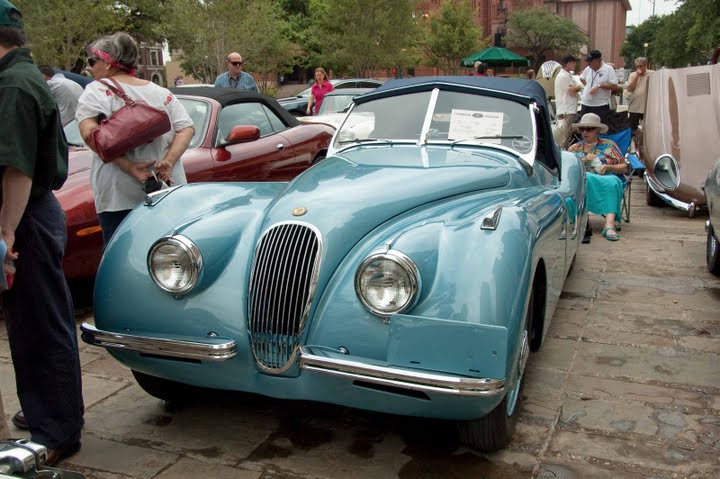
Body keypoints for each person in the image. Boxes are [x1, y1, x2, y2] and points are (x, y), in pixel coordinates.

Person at [0, 0, 84, 465]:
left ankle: (54, 431)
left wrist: (6, 234)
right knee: (39, 321)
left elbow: (16, 169)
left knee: (38, 326)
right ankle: (51, 416)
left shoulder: (13, 83)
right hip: (32, 215)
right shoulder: (24, 76)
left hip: (25, 216)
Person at [76, 32, 195, 246]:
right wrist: (168, 161)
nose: (91, 68)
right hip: (166, 188)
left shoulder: (97, 91)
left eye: (93, 61)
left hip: (118, 196)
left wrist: (128, 167)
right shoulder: (160, 92)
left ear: (107, 62)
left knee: (123, 259)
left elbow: (89, 135)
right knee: (169, 256)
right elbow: (186, 128)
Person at [569, 113, 628, 242]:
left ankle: (609, 224)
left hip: (606, 177)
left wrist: (608, 167)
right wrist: (582, 161)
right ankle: (585, 222)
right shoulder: (574, 148)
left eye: (589, 129)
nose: (585, 132)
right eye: (582, 129)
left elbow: (624, 167)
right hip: (583, 179)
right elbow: (567, 168)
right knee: (585, 178)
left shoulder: (609, 146)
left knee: (612, 182)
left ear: (598, 130)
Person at [578, 50, 620, 125]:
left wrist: (599, 86)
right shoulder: (588, 69)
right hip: (586, 103)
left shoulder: (608, 69)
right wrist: (588, 87)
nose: (588, 64)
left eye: (590, 62)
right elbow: (582, 78)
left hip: (600, 105)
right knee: (585, 125)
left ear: (597, 61)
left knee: (600, 126)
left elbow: (614, 85)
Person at [553, 54, 583, 149]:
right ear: (569, 63)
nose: (575, 64)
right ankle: (562, 153)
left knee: (568, 135)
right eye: (574, 62)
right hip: (566, 111)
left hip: (569, 109)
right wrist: (580, 87)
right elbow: (572, 91)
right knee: (564, 137)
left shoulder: (569, 76)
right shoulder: (563, 76)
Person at [625, 57, 654, 139]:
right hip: (635, 106)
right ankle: (633, 144)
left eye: (641, 66)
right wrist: (636, 76)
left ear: (645, 65)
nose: (639, 68)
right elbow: (630, 88)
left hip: (647, 106)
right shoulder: (632, 75)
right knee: (632, 129)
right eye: (637, 66)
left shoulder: (652, 74)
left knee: (648, 129)